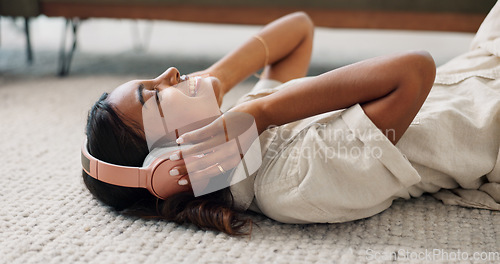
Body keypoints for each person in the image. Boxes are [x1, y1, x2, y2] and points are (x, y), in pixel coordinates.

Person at [83, 4, 500, 236]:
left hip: (482, 63)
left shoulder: (250, 128)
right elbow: (413, 71)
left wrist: (218, 80)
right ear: (176, 166)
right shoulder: (294, 182)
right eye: (154, 94)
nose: (170, 74)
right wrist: (261, 112)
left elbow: (298, 28)